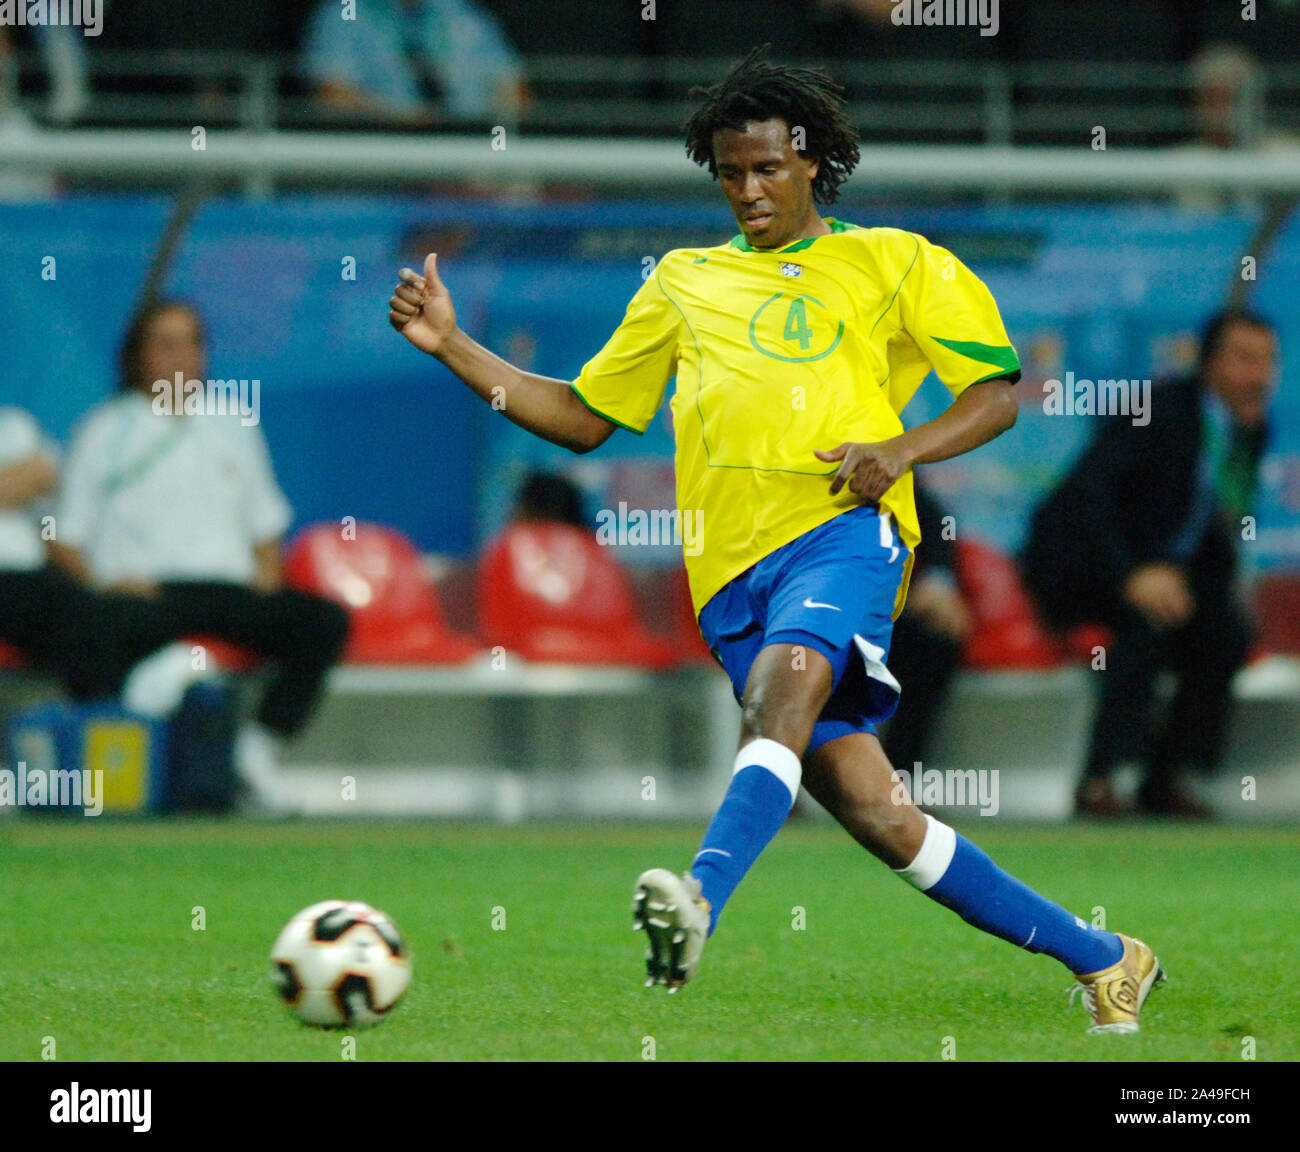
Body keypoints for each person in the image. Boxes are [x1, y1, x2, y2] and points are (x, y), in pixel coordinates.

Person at [387, 48, 1163, 1034]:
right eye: (728, 172)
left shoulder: (894, 262)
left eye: (765, 168)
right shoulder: (680, 282)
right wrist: (453, 345)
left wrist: (898, 447)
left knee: (789, 683)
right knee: (878, 816)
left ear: (813, 164)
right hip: (729, 579)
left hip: (847, 531)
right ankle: (1106, 957)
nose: (745, 189)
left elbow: (995, 394)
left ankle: (700, 898)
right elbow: (584, 417)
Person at [49, 300, 350, 812]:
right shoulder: (103, 431)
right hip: (146, 596)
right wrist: (102, 583)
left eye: (192, 342)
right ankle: (128, 762)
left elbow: (265, 523)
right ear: (138, 355)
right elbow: (63, 536)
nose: (181, 357)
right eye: (165, 343)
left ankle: (254, 754)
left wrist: (266, 580)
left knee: (322, 621)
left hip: (226, 593)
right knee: (91, 627)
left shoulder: (233, 424)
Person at [1022, 309, 1275, 820]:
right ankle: (1100, 779)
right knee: (1147, 622)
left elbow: (1215, 523)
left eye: (1269, 361)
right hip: (1084, 569)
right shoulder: (1157, 409)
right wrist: (1130, 576)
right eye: (1244, 359)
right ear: (1207, 363)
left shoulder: (1250, 430)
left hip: (1165, 575)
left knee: (1226, 632)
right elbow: (1086, 498)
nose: (1259, 375)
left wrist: (1203, 586)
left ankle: (1167, 779)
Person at [0, 406, 182, 701]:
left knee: (137, 613)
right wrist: (18, 480)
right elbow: (32, 476)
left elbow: (45, 474)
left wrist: (97, 582)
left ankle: (160, 705)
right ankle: (104, 722)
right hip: (13, 585)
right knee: (82, 622)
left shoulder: (13, 424)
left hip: (40, 575)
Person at [302, 0, 530, 126]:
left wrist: (493, 137)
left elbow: (512, 86)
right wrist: (405, 120)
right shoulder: (345, 13)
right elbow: (334, 96)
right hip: (386, 156)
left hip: (468, 154)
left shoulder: (460, 11)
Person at [879, 480, 971, 776]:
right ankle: (778, 780)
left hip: (878, 610)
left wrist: (938, 582)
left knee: (934, 640)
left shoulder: (887, 464)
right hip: (806, 604)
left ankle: (898, 780)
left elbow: (936, 524)